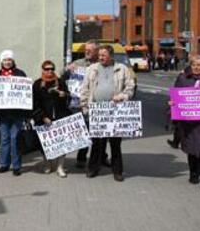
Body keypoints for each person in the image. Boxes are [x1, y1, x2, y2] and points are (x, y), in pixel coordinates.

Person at [80, 44, 135, 182]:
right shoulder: (91, 69)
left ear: (111, 56)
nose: (100, 58)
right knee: (97, 142)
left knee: (115, 143)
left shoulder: (121, 69)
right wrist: (84, 106)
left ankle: (117, 171)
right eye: (99, 55)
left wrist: (122, 97)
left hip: (115, 111)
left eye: (103, 55)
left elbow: (130, 87)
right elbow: (85, 88)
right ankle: (93, 168)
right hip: (97, 110)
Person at [171, 55, 200, 191]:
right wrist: (172, 103)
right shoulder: (183, 78)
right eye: (194, 65)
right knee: (191, 149)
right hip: (189, 123)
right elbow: (176, 95)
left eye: (199, 65)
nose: (196, 67)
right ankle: (194, 173)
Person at [0, 50, 29, 176]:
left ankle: (17, 165)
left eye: (9, 60)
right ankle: (4, 164)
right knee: (4, 139)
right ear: (1, 61)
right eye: (5, 60)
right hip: (2, 114)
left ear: (13, 61)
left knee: (15, 138)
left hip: (17, 113)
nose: (7, 62)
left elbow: (26, 94)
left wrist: (26, 112)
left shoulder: (20, 74)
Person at [63, 39, 99, 168]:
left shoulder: (101, 64)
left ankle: (95, 158)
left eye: (90, 50)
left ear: (97, 51)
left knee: (95, 133)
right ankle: (79, 158)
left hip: (95, 104)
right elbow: (63, 76)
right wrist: (68, 69)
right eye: (86, 50)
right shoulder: (78, 63)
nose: (87, 52)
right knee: (81, 132)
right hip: (77, 104)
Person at [33, 60, 71, 177]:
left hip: (60, 116)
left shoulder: (60, 82)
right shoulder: (37, 84)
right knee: (45, 144)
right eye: (47, 69)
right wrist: (43, 116)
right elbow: (34, 103)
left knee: (62, 143)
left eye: (52, 69)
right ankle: (48, 164)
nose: (49, 71)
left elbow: (68, 96)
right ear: (42, 70)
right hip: (44, 118)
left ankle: (60, 167)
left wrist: (64, 95)